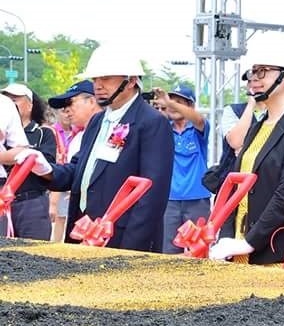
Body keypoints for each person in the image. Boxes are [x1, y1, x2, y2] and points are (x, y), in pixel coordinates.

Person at [20, 47, 173, 252]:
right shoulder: (98, 121)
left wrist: (130, 251)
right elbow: (79, 172)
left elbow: (152, 197)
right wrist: (45, 169)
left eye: (106, 78)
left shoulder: (152, 123)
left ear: (131, 80)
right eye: (95, 79)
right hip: (82, 232)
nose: (98, 85)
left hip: (121, 239)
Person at [208, 34, 284, 264]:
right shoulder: (259, 125)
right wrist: (227, 238)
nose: (254, 79)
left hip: (270, 253)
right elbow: (235, 185)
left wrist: (249, 242)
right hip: (236, 247)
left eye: (263, 71)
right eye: (252, 72)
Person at [153, 85, 211, 253]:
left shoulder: (198, 129)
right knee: (169, 251)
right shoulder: (163, 129)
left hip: (197, 199)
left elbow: (199, 120)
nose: (172, 106)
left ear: (190, 106)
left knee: (199, 249)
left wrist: (169, 102)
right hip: (169, 200)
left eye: (179, 102)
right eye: (171, 102)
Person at [46, 80, 101, 241]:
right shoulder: (80, 138)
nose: (67, 110)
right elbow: (74, 171)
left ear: (91, 101)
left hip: (103, 223)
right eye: (64, 107)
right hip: (81, 217)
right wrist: (44, 170)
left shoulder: (112, 133)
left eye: (70, 103)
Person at [0, 85, 51, 239]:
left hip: (29, 199)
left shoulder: (43, 133)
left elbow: (51, 172)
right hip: (9, 197)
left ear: (30, 105)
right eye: (10, 98)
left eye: (16, 99)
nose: (12, 102)